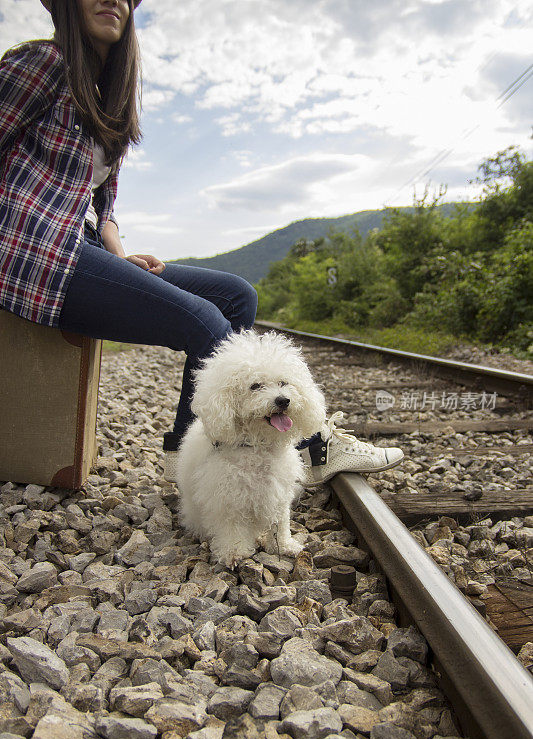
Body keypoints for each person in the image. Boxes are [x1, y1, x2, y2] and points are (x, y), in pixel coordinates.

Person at [0, 0, 403, 487]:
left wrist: (121, 258)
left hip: (80, 246)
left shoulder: (110, 94)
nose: (115, 1)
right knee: (204, 323)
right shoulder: (44, 62)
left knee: (237, 295)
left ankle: (184, 453)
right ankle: (311, 447)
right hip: (34, 253)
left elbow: (101, 203)